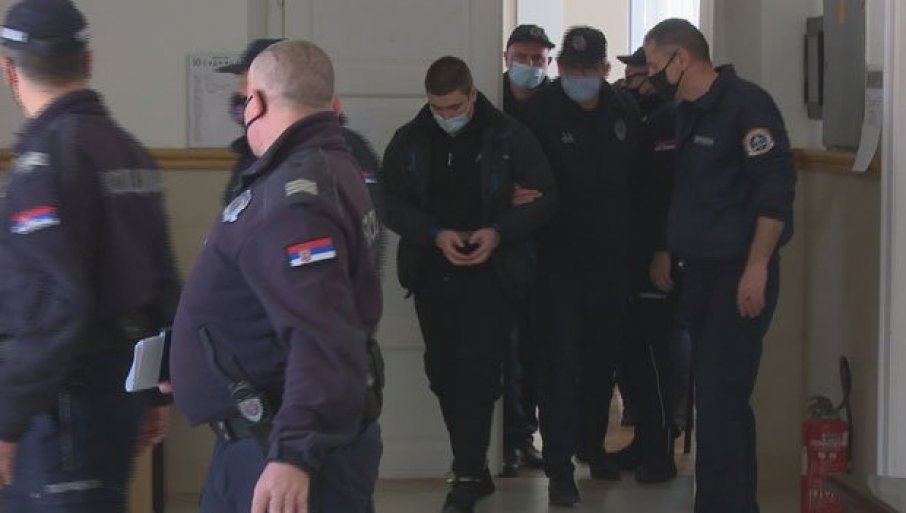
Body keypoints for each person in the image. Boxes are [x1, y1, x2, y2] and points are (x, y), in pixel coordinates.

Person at [168, 40, 384, 513]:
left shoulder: (295, 200)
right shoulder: (328, 165)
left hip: (278, 441)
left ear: (257, 102)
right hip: (269, 433)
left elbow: (320, 332)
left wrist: (292, 455)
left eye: (243, 100)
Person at [0, 0, 179, 510]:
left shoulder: (44, 165)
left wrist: (7, 419)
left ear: (9, 70)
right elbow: (164, 285)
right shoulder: (129, 151)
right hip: (116, 390)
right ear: (89, 61)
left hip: (61, 406)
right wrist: (155, 390)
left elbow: (53, 309)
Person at [382, 56, 555, 513]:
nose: (446, 115)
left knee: (478, 371)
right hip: (432, 271)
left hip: (492, 274)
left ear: (473, 95)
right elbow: (390, 203)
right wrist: (433, 234)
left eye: (454, 106)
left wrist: (498, 231)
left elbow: (545, 196)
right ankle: (474, 466)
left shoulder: (508, 136)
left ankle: (465, 472)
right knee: (443, 371)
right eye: (437, 107)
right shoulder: (410, 139)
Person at [643, 18, 796, 513]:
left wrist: (757, 268)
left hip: (738, 275)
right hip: (702, 275)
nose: (650, 75)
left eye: (654, 64)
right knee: (718, 403)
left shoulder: (747, 107)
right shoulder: (687, 111)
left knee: (721, 401)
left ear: (681, 58)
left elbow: (775, 193)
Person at [520, 26, 646, 506]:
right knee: (559, 365)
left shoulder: (623, 109)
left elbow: (638, 181)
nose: (578, 77)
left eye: (587, 70)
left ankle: (592, 446)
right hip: (556, 264)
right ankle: (559, 468)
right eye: (570, 69)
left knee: (601, 362)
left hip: (611, 262)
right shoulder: (539, 113)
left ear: (605, 70)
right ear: (558, 68)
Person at [611, 46, 682, 483]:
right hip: (632, 253)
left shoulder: (670, 121)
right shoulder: (642, 119)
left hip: (658, 257)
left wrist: (663, 248)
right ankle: (645, 440)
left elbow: (667, 193)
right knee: (633, 353)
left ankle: (660, 450)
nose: (632, 83)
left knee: (655, 355)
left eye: (641, 74)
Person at [499, 22, 555, 477]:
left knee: (539, 346)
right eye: (523, 57)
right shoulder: (490, 101)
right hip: (503, 243)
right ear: (506, 57)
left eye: (538, 58)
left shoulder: (556, 103)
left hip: (551, 240)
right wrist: (503, 194)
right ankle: (510, 439)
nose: (531, 65)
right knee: (508, 347)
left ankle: (528, 435)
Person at [217, 38, 285, 205]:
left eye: (247, 82)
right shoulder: (253, 151)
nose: (239, 92)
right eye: (241, 81)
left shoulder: (303, 154)